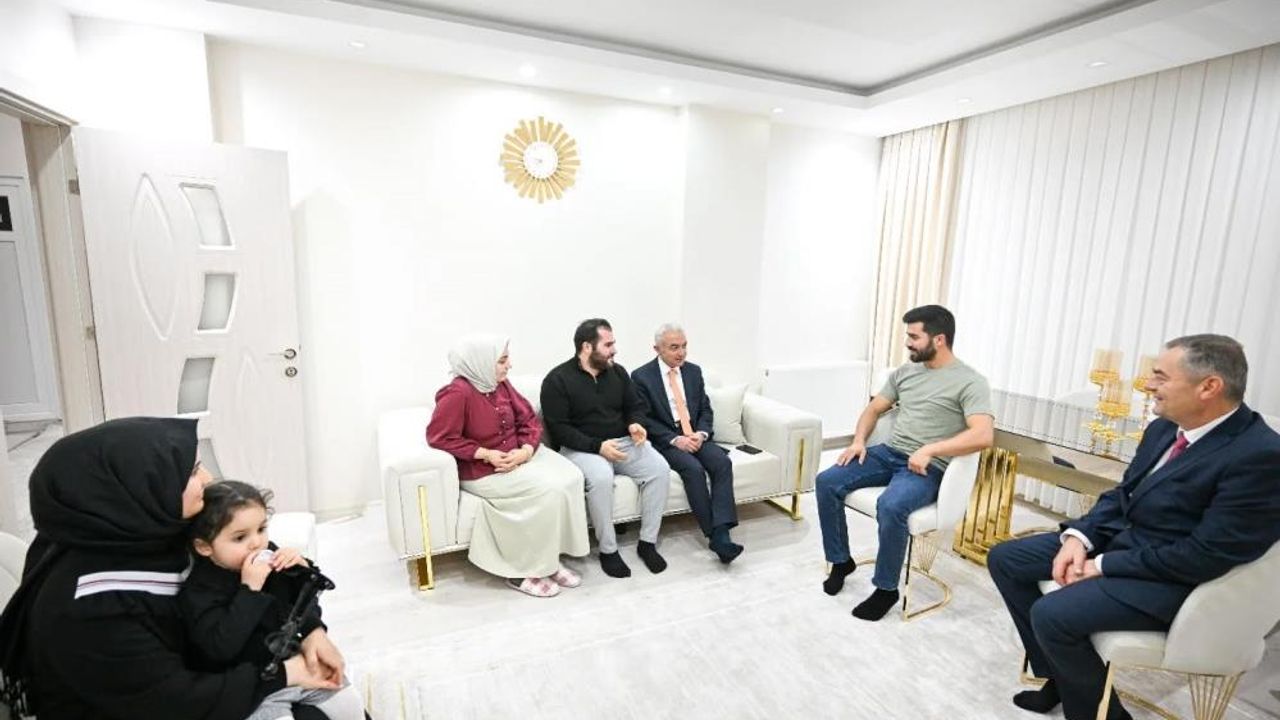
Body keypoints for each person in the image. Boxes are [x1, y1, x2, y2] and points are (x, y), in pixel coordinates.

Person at [988, 334, 1280, 720]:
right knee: (1007, 559)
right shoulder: (1164, 429)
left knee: (1053, 615)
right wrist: (1079, 538)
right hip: (1128, 544)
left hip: (1179, 580)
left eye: (1161, 376)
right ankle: (1063, 675)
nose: (1148, 385)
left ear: (1209, 387)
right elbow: (1124, 494)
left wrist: (1101, 565)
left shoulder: (1260, 455)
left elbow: (1205, 556)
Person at [0, 417, 342, 720]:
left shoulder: (151, 526)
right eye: (191, 472)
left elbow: (264, 563)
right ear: (138, 488)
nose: (207, 478)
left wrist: (313, 630)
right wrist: (284, 674)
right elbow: (172, 701)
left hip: (213, 680)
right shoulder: (87, 610)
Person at [816, 304, 994, 620]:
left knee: (891, 505)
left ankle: (886, 589)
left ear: (939, 340)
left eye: (914, 337)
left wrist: (931, 449)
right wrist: (858, 441)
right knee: (826, 481)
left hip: (928, 467)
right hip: (890, 453)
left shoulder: (970, 382)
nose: (908, 343)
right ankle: (841, 560)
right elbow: (873, 409)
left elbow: (983, 435)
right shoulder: (905, 373)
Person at [180, 480, 364, 720]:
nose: (256, 543)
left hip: (298, 664)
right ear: (204, 547)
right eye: (240, 538)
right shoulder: (199, 591)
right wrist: (250, 590)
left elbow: (302, 601)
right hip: (256, 691)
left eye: (261, 529)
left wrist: (301, 569)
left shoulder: (267, 556)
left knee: (349, 704)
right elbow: (221, 648)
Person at [427, 335, 590, 597]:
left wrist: (525, 450)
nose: (509, 365)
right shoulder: (457, 394)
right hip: (482, 469)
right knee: (548, 491)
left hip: (518, 457)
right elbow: (439, 437)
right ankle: (522, 570)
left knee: (572, 477)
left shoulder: (500, 384)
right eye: (502, 360)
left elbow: (529, 420)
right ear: (480, 363)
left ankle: (549, 559)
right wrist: (485, 453)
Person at [541, 318, 671, 578]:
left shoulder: (618, 373)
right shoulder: (557, 380)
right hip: (581, 448)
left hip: (622, 442)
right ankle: (608, 550)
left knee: (660, 469)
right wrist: (597, 447)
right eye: (608, 345)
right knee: (601, 477)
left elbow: (635, 406)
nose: (614, 350)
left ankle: (647, 543)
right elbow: (559, 429)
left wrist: (635, 423)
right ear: (587, 347)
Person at [632, 323, 742, 563]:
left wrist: (701, 433)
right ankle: (714, 535)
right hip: (667, 439)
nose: (681, 353)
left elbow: (705, 408)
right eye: (674, 347)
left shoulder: (693, 371)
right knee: (693, 469)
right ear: (657, 349)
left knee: (722, 462)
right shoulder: (641, 377)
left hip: (694, 433)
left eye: (684, 346)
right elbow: (644, 419)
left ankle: (721, 534)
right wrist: (675, 440)